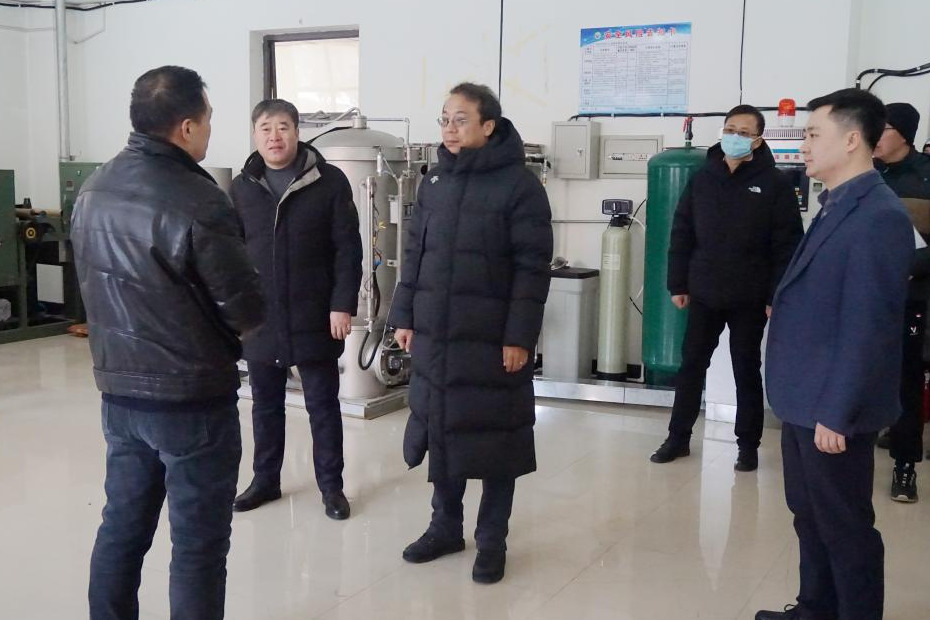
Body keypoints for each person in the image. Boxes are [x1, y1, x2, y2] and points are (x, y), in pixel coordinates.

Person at [72, 66, 265, 620]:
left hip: (119, 396)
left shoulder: (94, 188)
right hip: (191, 401)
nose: (209, 129)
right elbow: (247, 310)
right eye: (208, 118)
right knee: (198, 547)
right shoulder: (199, 199)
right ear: (186, 127)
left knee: (121, 528)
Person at [756, 89, 913, 620]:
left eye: (812, 134)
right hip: (805, 395)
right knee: (809, 515)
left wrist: (838, 411)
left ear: (850, 140)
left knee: (845, 526)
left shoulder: (879, 216)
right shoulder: (838, 204)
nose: (803, 145)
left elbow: (870, 327)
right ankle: (815, 608)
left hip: (831, 405)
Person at [388, 82, 552, 584]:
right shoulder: (435, 181)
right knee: (442, 430)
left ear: (489, 126)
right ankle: (445, 527)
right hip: (437, 336)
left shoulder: (520, 186)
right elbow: (414, 254)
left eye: (460, 119)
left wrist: (519, 337)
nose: (450, 129)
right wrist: (404, 315)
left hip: (492, 340)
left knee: (497, 439)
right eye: (444, 119)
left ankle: (492, 539)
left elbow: (532, 269)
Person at [229, 99, 362, 520]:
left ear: (297, 132)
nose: (275, 136)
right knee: (264, 406)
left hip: (315, 314)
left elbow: (348, 250)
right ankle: (265, 481)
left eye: (283, 127)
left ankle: (332, 488)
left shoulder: (329, 181)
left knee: (322, 406)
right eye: (266, 128)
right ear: (255, 134)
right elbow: (232, 253)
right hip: (261, 317)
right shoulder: (242, 187)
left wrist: (342, 305)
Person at [651, 104, 803, 471]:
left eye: (744, 133)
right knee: (691, 366)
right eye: (730, 129)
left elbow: (787, 246)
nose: (735, 137)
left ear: (758, 140)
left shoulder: (775, 184)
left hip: (751, 295)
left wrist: (775, 295)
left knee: (746, 369)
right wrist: (678, 282)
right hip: (704, 290)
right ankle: (678, 437)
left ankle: (747, 445)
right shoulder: (703, 178)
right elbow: (682, 231)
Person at [873, 102, 930, 502]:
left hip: (911, 295)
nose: (874, 136)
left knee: (907, 381)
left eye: (883, 129)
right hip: (866, 295)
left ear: (904, 135)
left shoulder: (926, 176)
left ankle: (905, 465)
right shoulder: (866, 174)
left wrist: (911, 267)